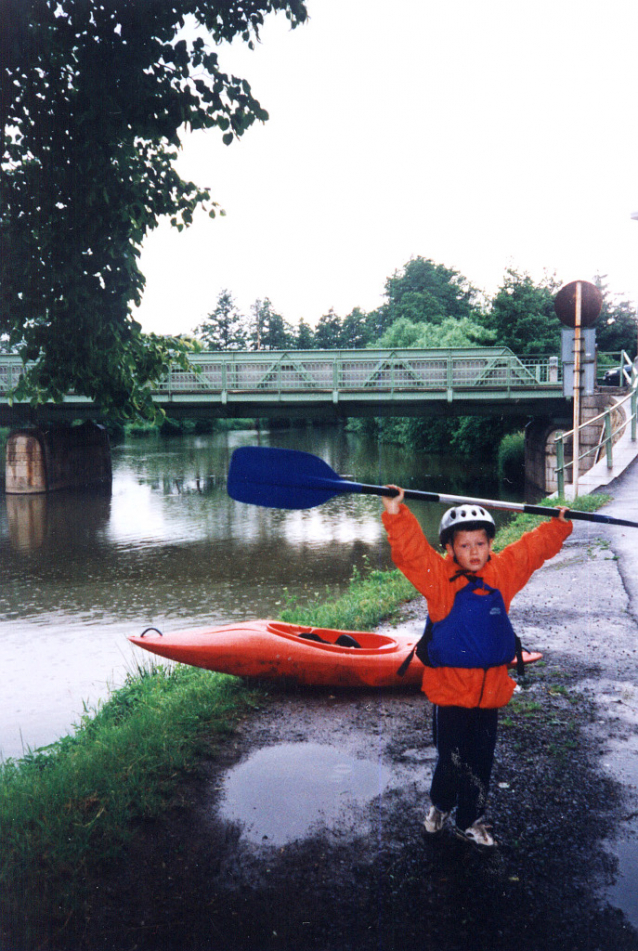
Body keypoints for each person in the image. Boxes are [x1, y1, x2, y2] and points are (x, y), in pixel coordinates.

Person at [381, 488, 572, 847]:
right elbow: (410, 553)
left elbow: (529, 552)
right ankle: (440, 805)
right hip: (451, 693)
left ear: (490, 544)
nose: (473, 552)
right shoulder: (438, 580)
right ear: (450, 549)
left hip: (489, 694)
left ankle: (471, 819)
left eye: (480, 543)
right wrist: (395, 512)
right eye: (464, 545)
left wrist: (557, 527)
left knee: (480, 761)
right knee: (450, 758)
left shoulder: (502, 573)